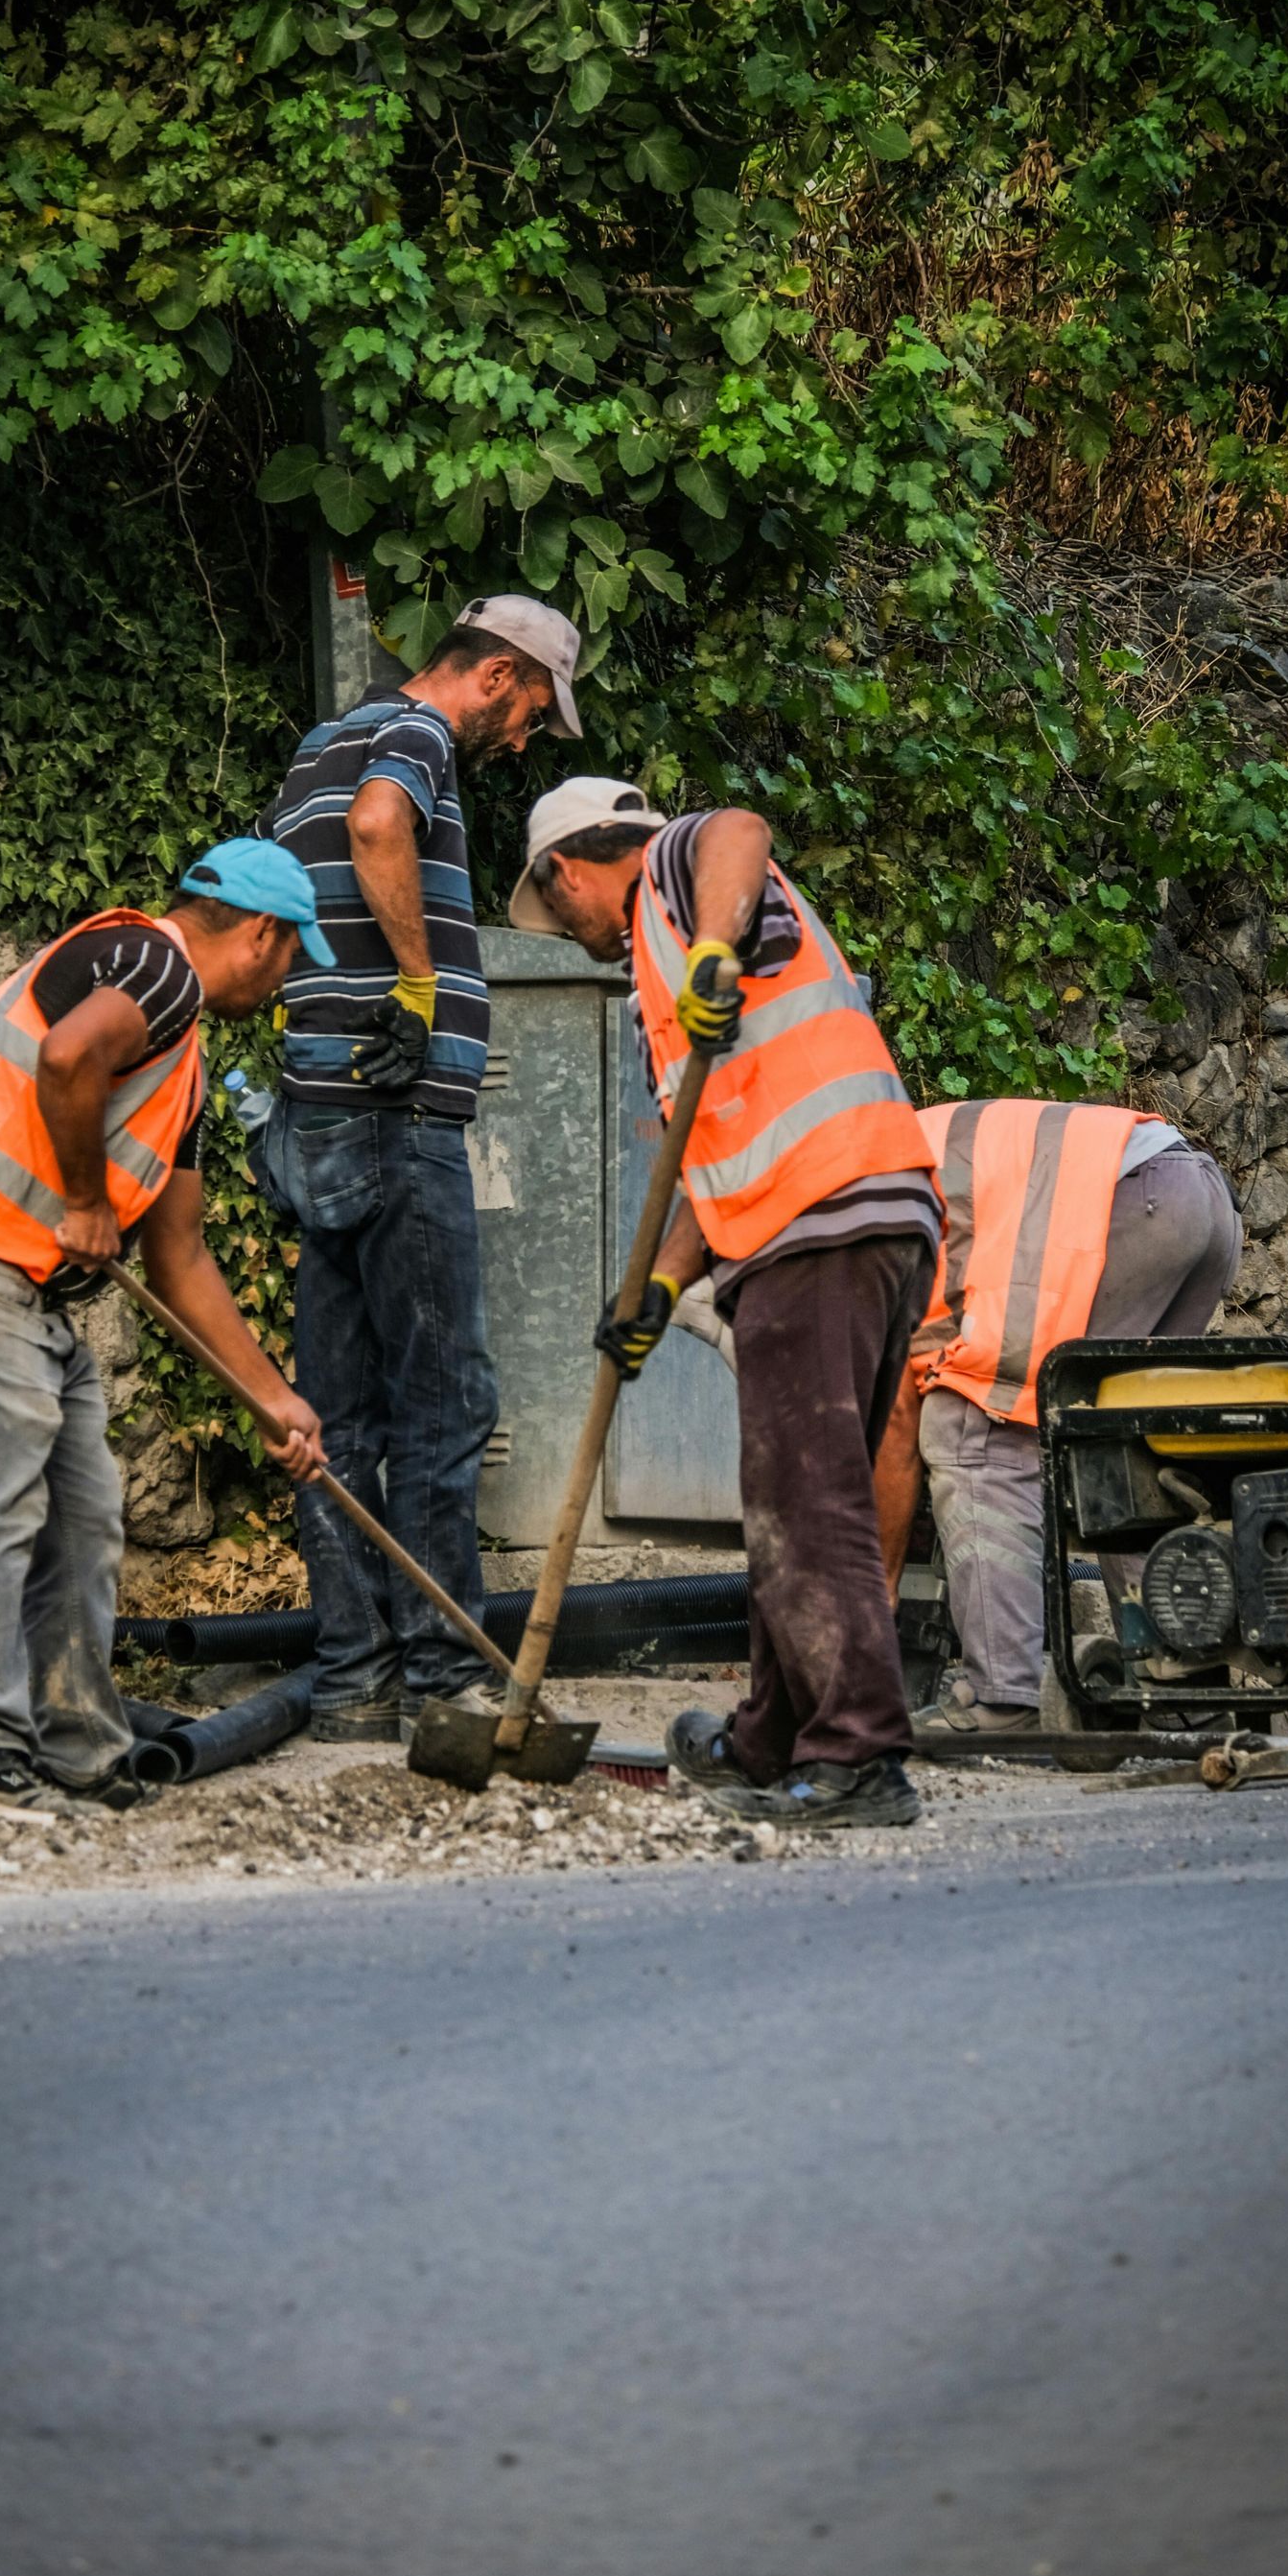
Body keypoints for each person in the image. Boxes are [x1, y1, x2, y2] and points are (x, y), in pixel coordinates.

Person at [0, 841, 329, 1820]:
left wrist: (274, 1402)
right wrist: (82, 1201)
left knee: (82, 1513)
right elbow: (64, 1057)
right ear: (260, 935)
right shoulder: (153, 964)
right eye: (292, 958)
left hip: (20, 1286)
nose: (286, 982)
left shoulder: (182, 1070)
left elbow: (182, 1261)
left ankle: (79, 1748)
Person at [509, 776, 942, 1830]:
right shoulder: (666, 991)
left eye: (557, 916)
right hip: (840, 1216)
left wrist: (712, 944)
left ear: (568, 869)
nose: (570, 939)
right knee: (784, 1498)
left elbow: (736, 830)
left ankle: (857, 1759)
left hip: (822, 1215)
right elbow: (708, 1166)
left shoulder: (675, 878)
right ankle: (773, 1738)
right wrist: (659, 1286)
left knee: (808, 1500)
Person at [255, 595, 585, 1747]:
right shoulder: (415, 740)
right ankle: (446, 1672)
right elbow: (384, 827)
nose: (528, 739)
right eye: (535, 713)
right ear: (495, 676)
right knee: (442, 1403)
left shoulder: (319, 743)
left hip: (320, 1105)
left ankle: (354, 1681)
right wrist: (415, 983)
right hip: (398, 1111)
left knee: (337, 1416)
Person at [878, 1099, 1243, 1739]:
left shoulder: (858, 1218)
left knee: (974, 1433)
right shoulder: (894, 1160)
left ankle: (1003, 1699)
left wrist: (874, 1592)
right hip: (1195, 1198)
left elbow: (897, 1430)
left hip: (1123, 1204)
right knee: (1123, 1450)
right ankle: (1184, 1691)